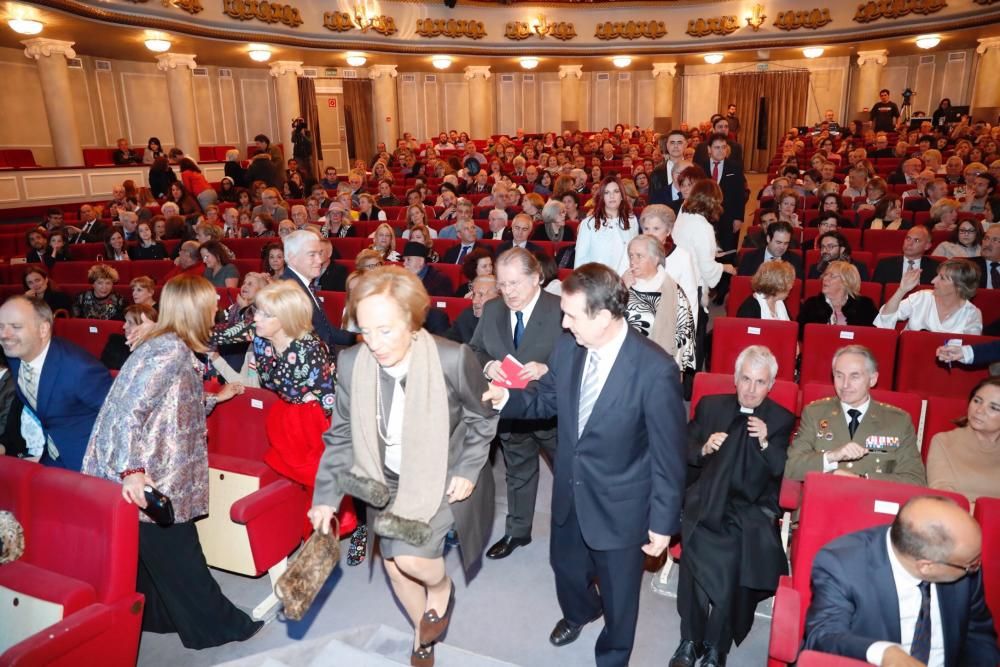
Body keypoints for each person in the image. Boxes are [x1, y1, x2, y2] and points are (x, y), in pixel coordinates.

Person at [483, 263, 686, 667]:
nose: (564, 322)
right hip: (569, 493)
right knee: (566, 569)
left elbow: (669, 456)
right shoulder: (568, 348)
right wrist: (509, 400)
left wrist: (663, 524)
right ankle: (579, 612)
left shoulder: (655, 370)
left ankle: (612, 656)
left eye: (573, 315)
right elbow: (547, 400)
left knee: (620, 598)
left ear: (606, 317)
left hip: (621, 507)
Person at [309, 266, 499, 666]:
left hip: (441, 476)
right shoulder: (351, 363)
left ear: (412, 321)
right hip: (384, 479)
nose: (374, 343)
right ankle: (422, 637)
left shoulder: (452, 358)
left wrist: (468, 468)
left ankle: (442, 590)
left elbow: (483, 416)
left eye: (386, 330)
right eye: (365, 330)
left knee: (413, 559)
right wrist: (326, 496)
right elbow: (341, 434)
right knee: (394, 568)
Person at [80, 275, 262, 648]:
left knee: (153, 556)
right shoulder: (168, 351)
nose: (216, 309)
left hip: (157, 468)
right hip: (153, 476)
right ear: (194, 309)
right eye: (211, 304)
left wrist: (214, 399)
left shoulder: (167, 344)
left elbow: (171, 405)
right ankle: (219, 627)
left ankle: (161, 617)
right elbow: (126, 413)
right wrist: (132, 472)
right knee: (182, 558)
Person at [670, 346, 795, 667]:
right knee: (696, 539)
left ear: (771, 385)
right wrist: (704, 448)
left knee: (730, 554)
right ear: (736, 379)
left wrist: (766, 443)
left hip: (749, 508)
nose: (752, 389)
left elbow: (784, 471)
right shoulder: (711, 406)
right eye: (747, 379)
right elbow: (683, 445)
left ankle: (714, 644)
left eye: (761, 382)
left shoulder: (779, 419)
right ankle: (691, 638)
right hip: (707, 498)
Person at [802, 496, 999, 664]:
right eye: (971, 565)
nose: (976, 567)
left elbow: (978, 634)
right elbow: (823, 637)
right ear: (926, 566)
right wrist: (883, 652)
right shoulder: (842, 565)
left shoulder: (962, 563)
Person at [468, 249, 562, 561]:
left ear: (537, 278)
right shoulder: (493, 309)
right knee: (517, 471)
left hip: (551, 409)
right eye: (503, 284)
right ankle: (518, 531)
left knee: (569, 472)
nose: (508, 293)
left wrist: (549, 369)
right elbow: (475, 349)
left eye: (516, 284)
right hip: (510, 408)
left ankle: (573, 533)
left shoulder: (561, 309)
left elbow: (584, 356)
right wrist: (487, 366)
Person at [785, 345, 926, 485]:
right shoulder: (815, 413)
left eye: (855, 376)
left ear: (873, 379)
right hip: (824, 499)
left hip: (870, 502)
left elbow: (915, 480)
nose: (845, 385)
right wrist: (831, 457)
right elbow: (791, 468)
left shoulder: (898, 421)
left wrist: (862, 480)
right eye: (839, 376)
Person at [0, 296, 112, 470]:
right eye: (0, 326)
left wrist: (131, 471)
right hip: (51, 453)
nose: (4, 335)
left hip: (87, 462)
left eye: (16, 327)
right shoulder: (16, 355)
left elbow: (119, 419)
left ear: (43, 329)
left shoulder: (80, 369)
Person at [622, 234, 696, 374]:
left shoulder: (674, 291)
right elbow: (606, 318)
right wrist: (621, 289)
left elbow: (684, 334)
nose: (633, 261)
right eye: (631, 256)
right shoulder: (623, 285)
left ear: (656, 259)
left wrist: (677, 370)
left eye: (639, 256)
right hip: (623, 362)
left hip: (659, 366)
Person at [926, 377, 1000, 509]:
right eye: (977, 401)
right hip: (956, 521)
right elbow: (943, 496)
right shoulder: (944, 441)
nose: (979, 410)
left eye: (994, 408)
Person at [281, 230, 356, 348]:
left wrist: (356, 338)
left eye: (320, 253)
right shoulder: (288, 291)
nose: (320, 260)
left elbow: (324, 328)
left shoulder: (302, 284)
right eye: (312, 255)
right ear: (292, 258)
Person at [874, 258, 983, 334]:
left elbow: (969, 350)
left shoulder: (971, 314)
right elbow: (885, 317)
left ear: (959, 286)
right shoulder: (922, 297)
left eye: (942, 278)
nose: (933, 281)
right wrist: (902, 290)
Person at [574, 176, 638, 275]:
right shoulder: (588, 224)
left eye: (616, 191)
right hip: (598, 282)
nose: (612, 196)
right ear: (601, 197)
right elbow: (580, 260)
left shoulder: (632, 220)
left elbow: (634, 254)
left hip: (626, 281)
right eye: (607, 192)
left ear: (622, 195)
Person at [697, 132, 745, 256]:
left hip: (728, 217)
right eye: (717, 147)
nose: (720, 151)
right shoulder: (700, 167)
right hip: (704, 216)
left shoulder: (735, 167)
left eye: (723, 147)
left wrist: (738, 218)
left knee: (727, 251)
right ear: (709, 149)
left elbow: (740, 194)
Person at [799, 260, 879, 331]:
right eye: (825, 275)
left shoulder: (865, 306)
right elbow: (801, 334)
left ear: (846, 282)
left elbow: (875, 334)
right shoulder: (812, 305)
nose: (825, 279)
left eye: (832, 276)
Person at [872, 226, 941, 285]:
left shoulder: (936, 268)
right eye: (908, 238)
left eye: (916, 240)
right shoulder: (885, 265)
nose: (909, 243)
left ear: (927, 246)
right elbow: (876, 293)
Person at [737, 220, 803, 279]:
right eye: (778, 242)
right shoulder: (749, 258)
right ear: (768, 239)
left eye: (786, 243)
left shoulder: (795, 261)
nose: (782, 247)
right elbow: (742, 285)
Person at [100, 304, 157, 370]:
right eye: (125, 321)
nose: (124, 326)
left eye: (130, 323)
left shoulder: (155, 349)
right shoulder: (115, 342)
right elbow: (104, 371)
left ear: (144, 326)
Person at [445, 275, 498, 345]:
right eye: (474, 295)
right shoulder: (467, 316)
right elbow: (446, 342)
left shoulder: (512, 321)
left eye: (481, 295)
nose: (474, 301)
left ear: (498, 297)